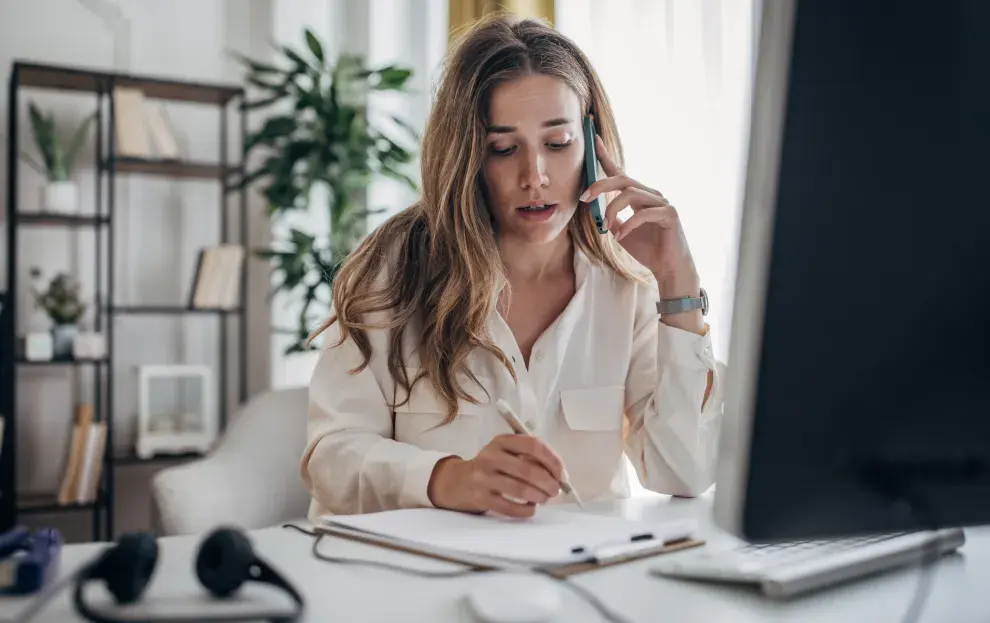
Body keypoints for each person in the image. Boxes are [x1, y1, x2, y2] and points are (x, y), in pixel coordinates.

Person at [300, 13, 723, 523]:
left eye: (558, 143)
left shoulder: (626, 289)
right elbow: (331, 457)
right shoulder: (392, 271)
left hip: (580, 580)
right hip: (421, 581)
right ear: (467, 157)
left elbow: (686, 470)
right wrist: (448, 478)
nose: (535, 176)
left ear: (592, 143)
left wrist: (678, 286)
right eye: (503, 149)